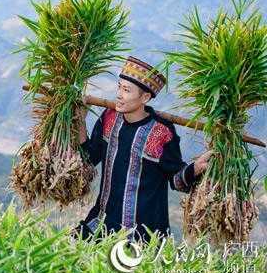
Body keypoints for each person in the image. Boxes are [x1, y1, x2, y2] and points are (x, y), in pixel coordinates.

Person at [74, 56, 211, 242]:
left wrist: (195, 168)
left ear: (145, 97)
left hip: (143, 232)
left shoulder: (162, 131)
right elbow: (89, 156)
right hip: (103, 220)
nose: (119, 95)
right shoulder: (109, 117)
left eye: (127, 90)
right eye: (119, 87)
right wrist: (79, 119)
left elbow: (176, 179)